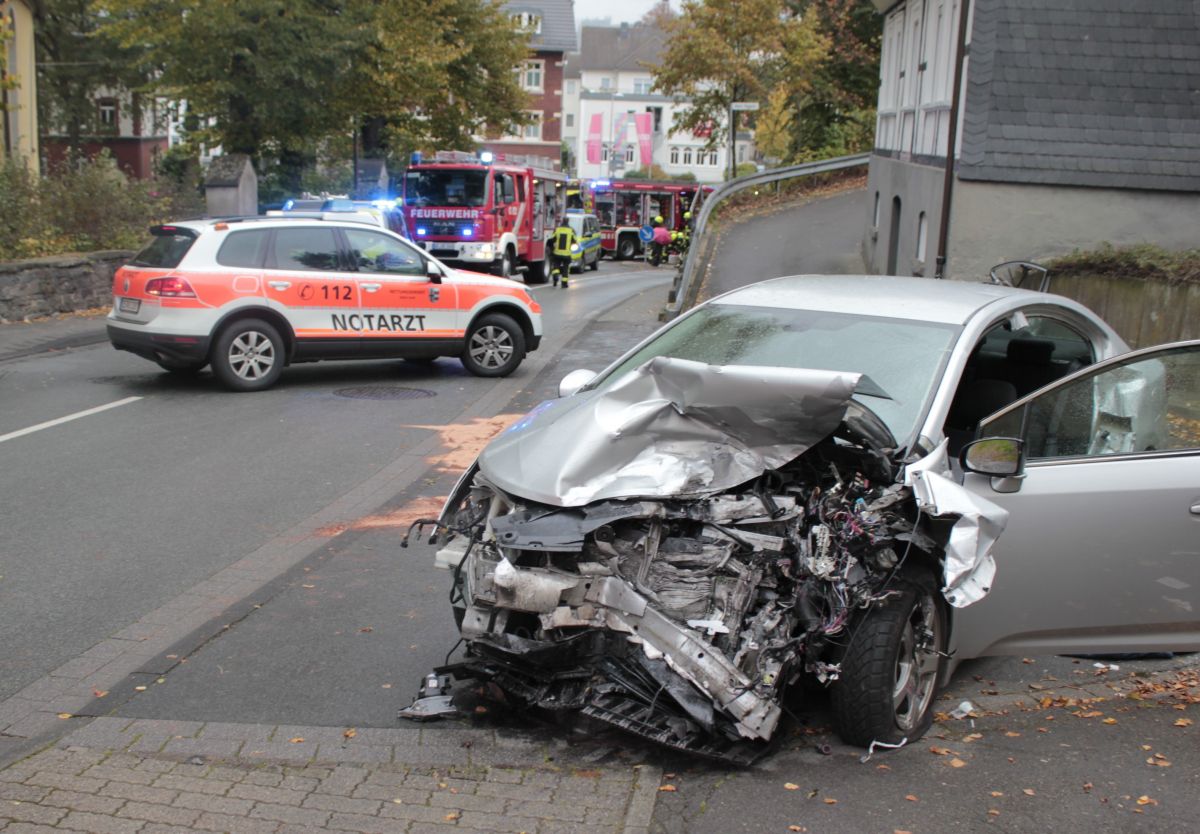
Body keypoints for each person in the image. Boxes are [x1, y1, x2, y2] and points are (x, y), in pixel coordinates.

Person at [550, 216, 577, 287]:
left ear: (562, 221)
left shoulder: (557, 229)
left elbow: (551, 239)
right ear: (568, 221)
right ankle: (564, 283)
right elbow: (575, 241)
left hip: (557, 253)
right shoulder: (571, 230)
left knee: (555, 266)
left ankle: (555, 276)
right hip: (567, 254)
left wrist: (552, 248)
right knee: (565, 268)